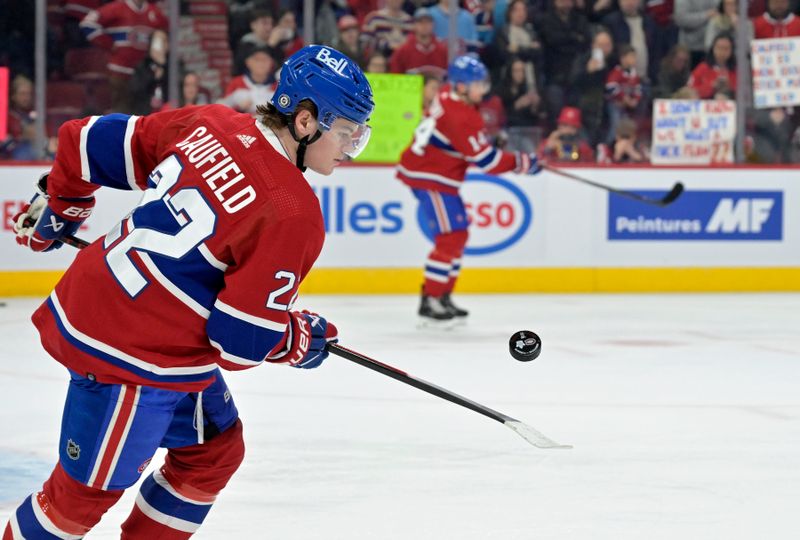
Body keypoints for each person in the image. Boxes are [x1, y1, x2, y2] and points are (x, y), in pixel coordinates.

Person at [6, 44, 374, 539]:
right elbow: (239, 342)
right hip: (131, 356)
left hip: (137, 325)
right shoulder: (293, 211)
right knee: (79, 500)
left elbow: (85, 141)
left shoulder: (212, 123)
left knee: (212, 451)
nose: (350, 148)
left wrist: (63, 206)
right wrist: (296, 339)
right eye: (347, 133)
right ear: (306, 122)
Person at [396, 55, 541, 325]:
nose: (482, 90)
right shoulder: (462, 116)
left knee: (458, 236)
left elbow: (465, 143)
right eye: (477, 84)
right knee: (451, 237)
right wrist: (522, 162)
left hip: (436, 173)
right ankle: (432, 299)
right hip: (430, 176)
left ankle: (442, 295)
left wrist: (486, 142)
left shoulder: (448, 96)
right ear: (461, 86)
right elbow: (487, 161)